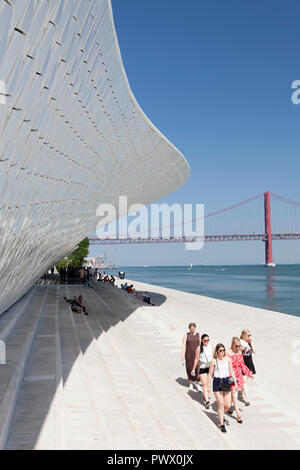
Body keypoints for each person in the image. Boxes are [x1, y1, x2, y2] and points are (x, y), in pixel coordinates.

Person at [207, 343, 238, 433]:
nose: (222, 352)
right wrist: (208, 386)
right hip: (217, 382)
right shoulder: (214, 361)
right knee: (220, 404)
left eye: (223, 350)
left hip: (226, 381)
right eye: (220, 350)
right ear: (217, 352)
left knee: (227, 405)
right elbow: (210, 374)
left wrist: (235, 383)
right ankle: (221, 424)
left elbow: (231, 372)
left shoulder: (228, 360)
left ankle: (221, 414)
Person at [227, 337, 254, 420]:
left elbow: (242, 365)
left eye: (239, 346)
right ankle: (238, 414)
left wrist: (248, 373)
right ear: (232, 345)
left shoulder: (239, 353)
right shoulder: (228, 353)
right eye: (236, 346)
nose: (238, 348)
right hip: (230, 375)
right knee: (234, 393)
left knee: (234, 393)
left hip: (238, 375)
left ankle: (229, 407)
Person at [192, 334, 213, 408]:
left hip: (210, 367)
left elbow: (213, 357)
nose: (206, 341)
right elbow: (196, 359)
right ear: (202, 340)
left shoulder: (211, 346)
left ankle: (206, 394)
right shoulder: (199, 348)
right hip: (202, 367)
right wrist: (194, 368)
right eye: (205, 340)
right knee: (204, 384)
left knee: (208, 383)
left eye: (208, 340)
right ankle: (207, 401)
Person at [181, 323, 201, 391]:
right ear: (189, 329)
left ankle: (198, 384)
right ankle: (191, 383)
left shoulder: (198, 335)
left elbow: (201, 345)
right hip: (189, 354)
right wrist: (182, 356)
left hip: (197, 354)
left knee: (198, 368)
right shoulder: (186, 335)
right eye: (191, 329)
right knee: (189, 368)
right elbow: (183, 346)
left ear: (195, 328)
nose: (192, 330)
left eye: (194, 329)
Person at [240, 329, 256, 405]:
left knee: (246, 380)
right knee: (244, 381)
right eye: (248, 335)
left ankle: (242, 394)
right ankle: (247, 399)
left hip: (249, 362)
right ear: (244, 335)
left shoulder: (249, 342)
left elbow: (255, 351)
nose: (249, 337)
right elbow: (240, 354)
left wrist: (251, 343)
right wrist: (245, 350)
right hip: (243, 362)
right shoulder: (240, 342)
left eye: (250, 335)